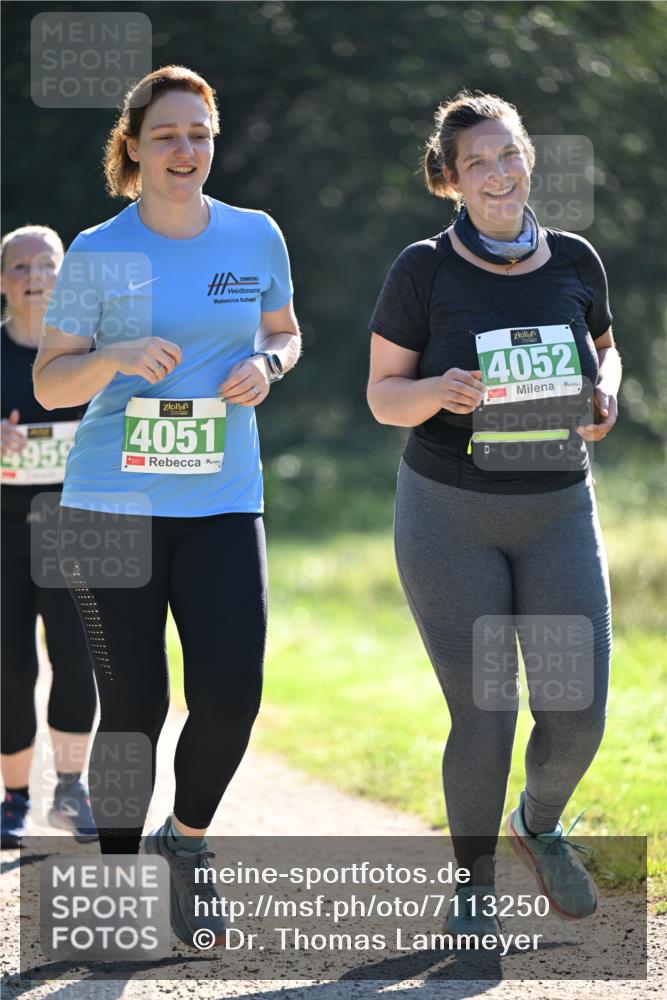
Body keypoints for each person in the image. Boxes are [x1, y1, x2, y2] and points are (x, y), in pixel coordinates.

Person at [33, 65, 301, 947]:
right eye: (166, 136)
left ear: (212, 142)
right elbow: (50, 377)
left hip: (225, 500)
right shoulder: (98, 250)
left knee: (230, 695)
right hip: (112, 505)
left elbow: (284, 330)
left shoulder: (255, 235)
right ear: (134, 148)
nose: (185, 150)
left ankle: (183, 843)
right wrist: (114, 357)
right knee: (135, 707)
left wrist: (266, 366)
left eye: (198, 134)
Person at [367, 91, 621, 938]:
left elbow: (606, 351)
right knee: (485, 710)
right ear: (450, 180)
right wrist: (435, 391)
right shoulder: (422, 269)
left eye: (507, 154)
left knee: (576, 710)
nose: (497, 173)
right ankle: (471, 883)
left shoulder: (576, 259)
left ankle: (538, 822)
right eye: (476, 162)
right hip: (448, 514)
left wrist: (605, 397)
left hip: (555, 509)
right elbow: (380, 397)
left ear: (528, 158)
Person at [1, 225, 97, 848]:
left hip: (80, 530)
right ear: (2, 280)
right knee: (9, 667)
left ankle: (69, 788)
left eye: (48, 265)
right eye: (20, 266)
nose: (36, 276)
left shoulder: (92, 351)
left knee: (77, 660)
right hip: (4, 532)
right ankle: (13, 800)